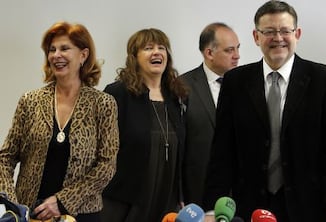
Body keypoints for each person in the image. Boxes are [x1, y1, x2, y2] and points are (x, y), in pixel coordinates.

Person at [202, 1, 326, 222]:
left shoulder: (324, 80)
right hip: (249, 208)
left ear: (297, 34)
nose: (278, 38)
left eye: (285, 31)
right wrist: (211, 209)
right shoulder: (235, 82)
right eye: (269, 32)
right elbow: (222, 152)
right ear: (256, 37)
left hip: (309, 208)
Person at [0, 21, 119, 222]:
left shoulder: (103, 103)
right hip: (30, 214)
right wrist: (12, 205)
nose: (56, 55)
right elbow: (6, 157)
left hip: (82, 214)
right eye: (52, 49)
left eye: (64, 48)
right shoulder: (31, 101)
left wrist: (63, 201)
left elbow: (107, 165)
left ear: (83, 55)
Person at [101, 28, 188, 222]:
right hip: (123, 201)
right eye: (148, 48)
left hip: (166, 200)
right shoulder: (118, 94)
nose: (157, 52)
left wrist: (181, 195)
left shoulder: (177, 97)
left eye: (161, 48)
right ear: (134, 57)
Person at [180, 22, 240, 205]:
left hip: (239, 193)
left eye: (238, 48)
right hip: (198, 193)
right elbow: (178, 148)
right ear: (209, 53)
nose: (237, 56)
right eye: (230, 50)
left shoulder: (246, 85)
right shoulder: (182, 87)